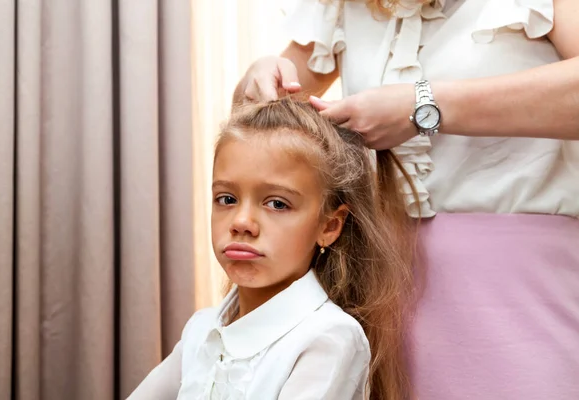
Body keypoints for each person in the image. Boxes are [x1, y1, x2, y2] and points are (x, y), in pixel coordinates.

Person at [233, 0, 579, 399]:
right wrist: (258, 80)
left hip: (526, 291)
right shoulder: (344, 7)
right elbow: (264, 128)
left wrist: (424, 104)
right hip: (384, 290)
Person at [127, 98, 419, 400]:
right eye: (227, 199)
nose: (241, 222)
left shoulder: (328, 339)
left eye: (277, 204)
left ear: (329, 227)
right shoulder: (200, 330)